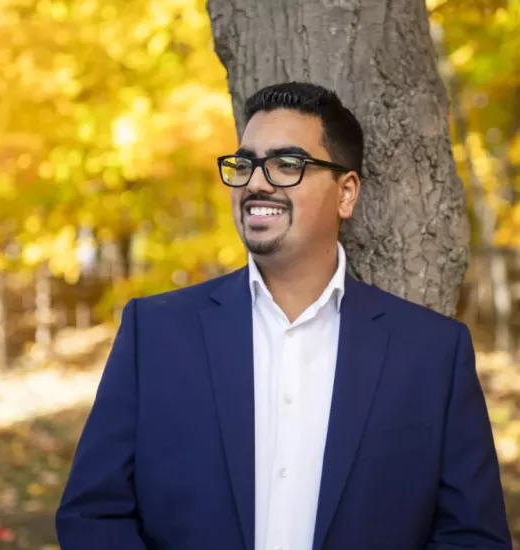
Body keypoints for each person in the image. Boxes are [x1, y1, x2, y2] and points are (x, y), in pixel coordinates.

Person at [56, 82, 512, 550]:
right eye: (246, 164)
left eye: (287, 164)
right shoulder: (154, 334)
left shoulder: (432, 353)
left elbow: (472, 537)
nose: (256, 182)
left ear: (346, 193)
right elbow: (93, 515)